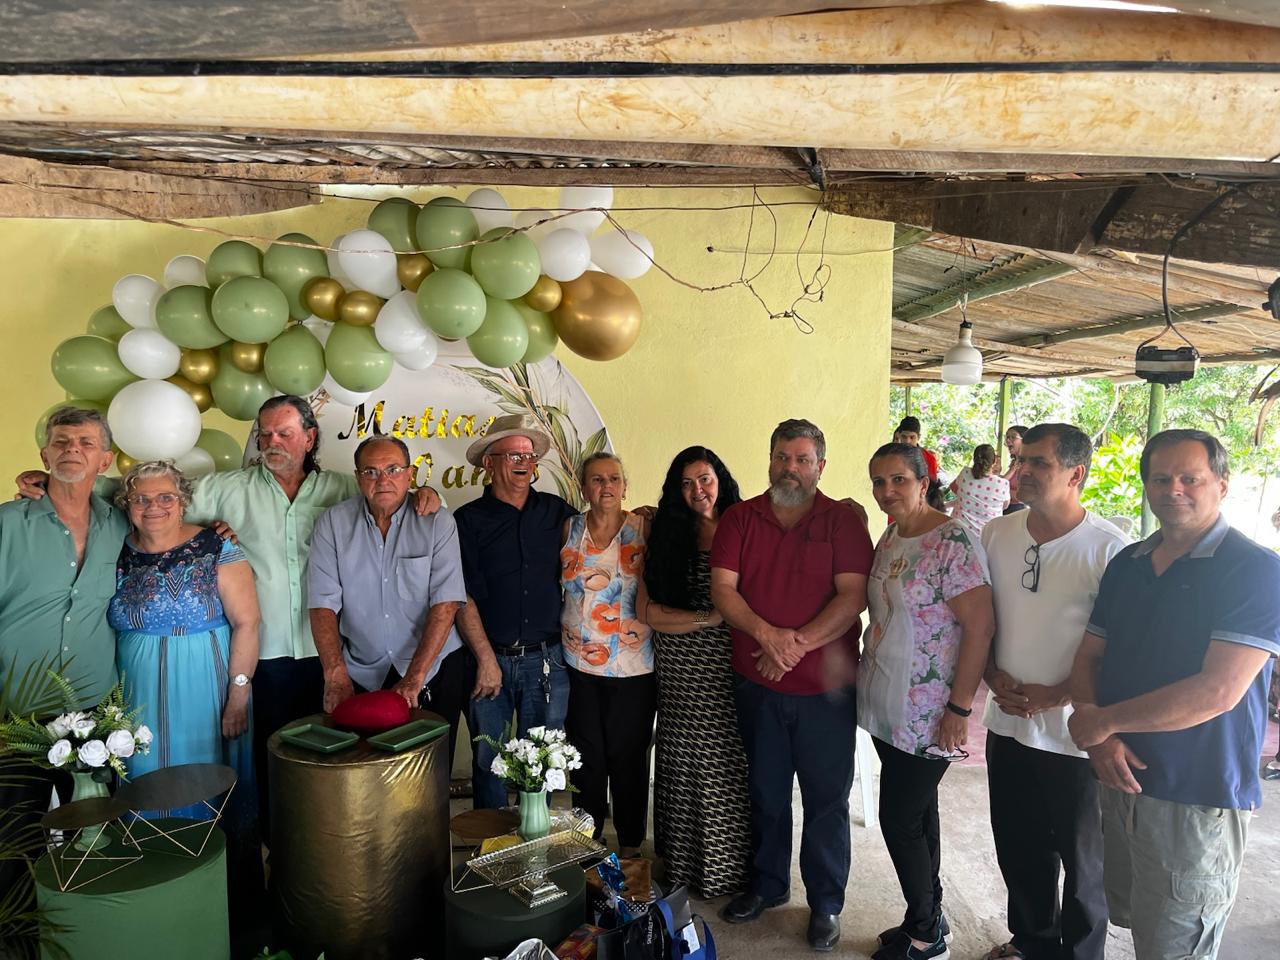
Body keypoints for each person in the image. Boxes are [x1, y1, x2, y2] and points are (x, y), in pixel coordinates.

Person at [16, 395, 443, 844]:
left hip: (335, 656)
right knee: (266, 768)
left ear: (310, 438)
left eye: (285, 433)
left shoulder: (342, 488)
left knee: (333, 771)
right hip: (263, 659)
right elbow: (148, 497)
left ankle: (322, 862)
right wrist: (54, 481)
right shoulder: (225, 488)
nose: (272, 441)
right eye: (265, 433)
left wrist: (425, 494)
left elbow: (387, 490)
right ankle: (268, 857)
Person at [1068, 429, 1280, 960]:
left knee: (1177, 944)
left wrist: (1100, 723)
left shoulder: (1255, 570)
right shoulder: (1129, 563)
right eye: (1160, 478)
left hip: (1197, 790)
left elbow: (1218, 691)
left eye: (1191, 477)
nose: (1174, 489)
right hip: (1120, 776)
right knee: (1140, 921)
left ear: (1223, 484)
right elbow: (1089, 656)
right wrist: (1099, 733)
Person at [710, 418, 872, 953]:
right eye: (783, 457)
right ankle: (768, 885)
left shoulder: (842, 522)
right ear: (770, 458)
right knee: (765, 792)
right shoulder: (739, 519)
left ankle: (826, 903)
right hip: (757, 685)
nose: (791, 468)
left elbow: (853, 598)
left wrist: (793, 644)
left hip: (826, 692)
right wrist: (766, 634)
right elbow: (725, 592)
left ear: (820, 466)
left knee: (827, 800)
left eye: (803, 459)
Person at [979, 423, 1128, 960]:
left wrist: (1058, 694)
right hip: (1008, 723)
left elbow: (1121, 650)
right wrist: (993, 674)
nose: (1020, 472)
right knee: (1019, 846)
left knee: (1084, 860)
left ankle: (1082, 954)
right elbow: (986, 621)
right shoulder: (998, 534)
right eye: (1021, 461)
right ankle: (1033, 941)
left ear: (1076, 474)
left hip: (1073, 736)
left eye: (1038, 463)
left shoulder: (1111, 550)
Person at [861, 443, 994, 960]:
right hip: (884, 701)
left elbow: (980, 627)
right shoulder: (892, 535)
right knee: (918, 815)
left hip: (929, 712)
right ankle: (929, 916)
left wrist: (959, 710)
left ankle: (924, 933)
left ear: (923, 481)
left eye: (897, 479)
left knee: (899, 819)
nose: (886, 491)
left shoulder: (952, 540)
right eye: (877, 482)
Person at [0, 406, 126, 898]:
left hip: (95, 709)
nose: (72, 448)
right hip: (15, 707)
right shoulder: (9, 523)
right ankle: (18, 940)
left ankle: (90, 928)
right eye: (62, 440)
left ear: (106, 459)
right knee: (15, 837)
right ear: (44, 454)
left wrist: (220, 531)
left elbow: (172, 513)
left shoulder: (122, 524)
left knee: (92, 835)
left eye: (86, 442)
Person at [109, 460, 259, 841]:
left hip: (204, 689)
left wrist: (238, 696)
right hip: (134, 694)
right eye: (140, 498)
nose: (153, 506)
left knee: (200, 776)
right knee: (141, 776)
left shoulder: (216, 547)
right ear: (126, 503)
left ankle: (205, 873)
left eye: (165, 497)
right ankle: (151, 871)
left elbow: (247, 622)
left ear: (183, 501)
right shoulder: (114, 550)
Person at [308, 436, 471, 763]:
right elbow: (322, 603)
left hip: (432, 668)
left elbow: (446, 603)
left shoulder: (437, 521)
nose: (382, 480)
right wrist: (335, 673)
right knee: (368, 771)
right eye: (371, 471)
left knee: (430, 769)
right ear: (358, 477)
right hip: (362, 670)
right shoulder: (333, 523)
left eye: (392, 469)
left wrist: (414, 678)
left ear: (409, 474)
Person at [643, 446, 749, 900]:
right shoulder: (666, 534)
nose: (697, 491)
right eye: (686, 484)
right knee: (682, 761)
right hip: (680, 668)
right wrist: (709, 618)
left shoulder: (745, 527)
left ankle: (729, 867)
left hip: (730, 666)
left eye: (704, 479)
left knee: (727, 763)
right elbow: (648, 612)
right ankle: (684, 866)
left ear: (720, 478)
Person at [455, 414, 577, 810]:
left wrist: (639, 516)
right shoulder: (467, 521)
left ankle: (533, 842)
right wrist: (486, 659)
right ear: (489, 463)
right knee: (489, 761)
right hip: (487, 660)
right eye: (513, 454)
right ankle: (491, 848)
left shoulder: (558, 512)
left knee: (542, 761)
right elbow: (462, 596)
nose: (524, 461)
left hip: (547, 661)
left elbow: (598, 541)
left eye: (529, 454)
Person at [560, 452, 655, 856]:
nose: (606, 487)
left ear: (625, 486)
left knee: (630, 759)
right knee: (586, 757)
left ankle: (631, 847)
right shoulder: (567, 528)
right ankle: (589, 843)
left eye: (614, 479)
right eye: (597, 480)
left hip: (634, 668)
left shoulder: (644, 528)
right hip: (578, 664)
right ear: (584, 487)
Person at [949, 444, 1009, 536]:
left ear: (974, 459)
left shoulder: (965, 473)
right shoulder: (1002, 484)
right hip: (986, 536)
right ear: (994, 461)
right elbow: (1004, 506)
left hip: (958, 531)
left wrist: (966, 497)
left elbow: (953, 487)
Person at [894, 416, 939, 483]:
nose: (907, 441)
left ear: (919, 437)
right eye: (904, 437)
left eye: (912, 437)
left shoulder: (929, 458)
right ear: (899, 435)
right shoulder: (891, 456)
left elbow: (933, 487)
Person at [1002, 425, 1028, 514]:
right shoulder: (1014, 463)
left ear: (1024, 441)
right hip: (1005, 506)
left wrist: (1000, 489)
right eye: (1007, 437)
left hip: (1016, 510)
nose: (1008, 440)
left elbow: (1023, 497)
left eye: (1013, 437)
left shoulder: (1028, 465)